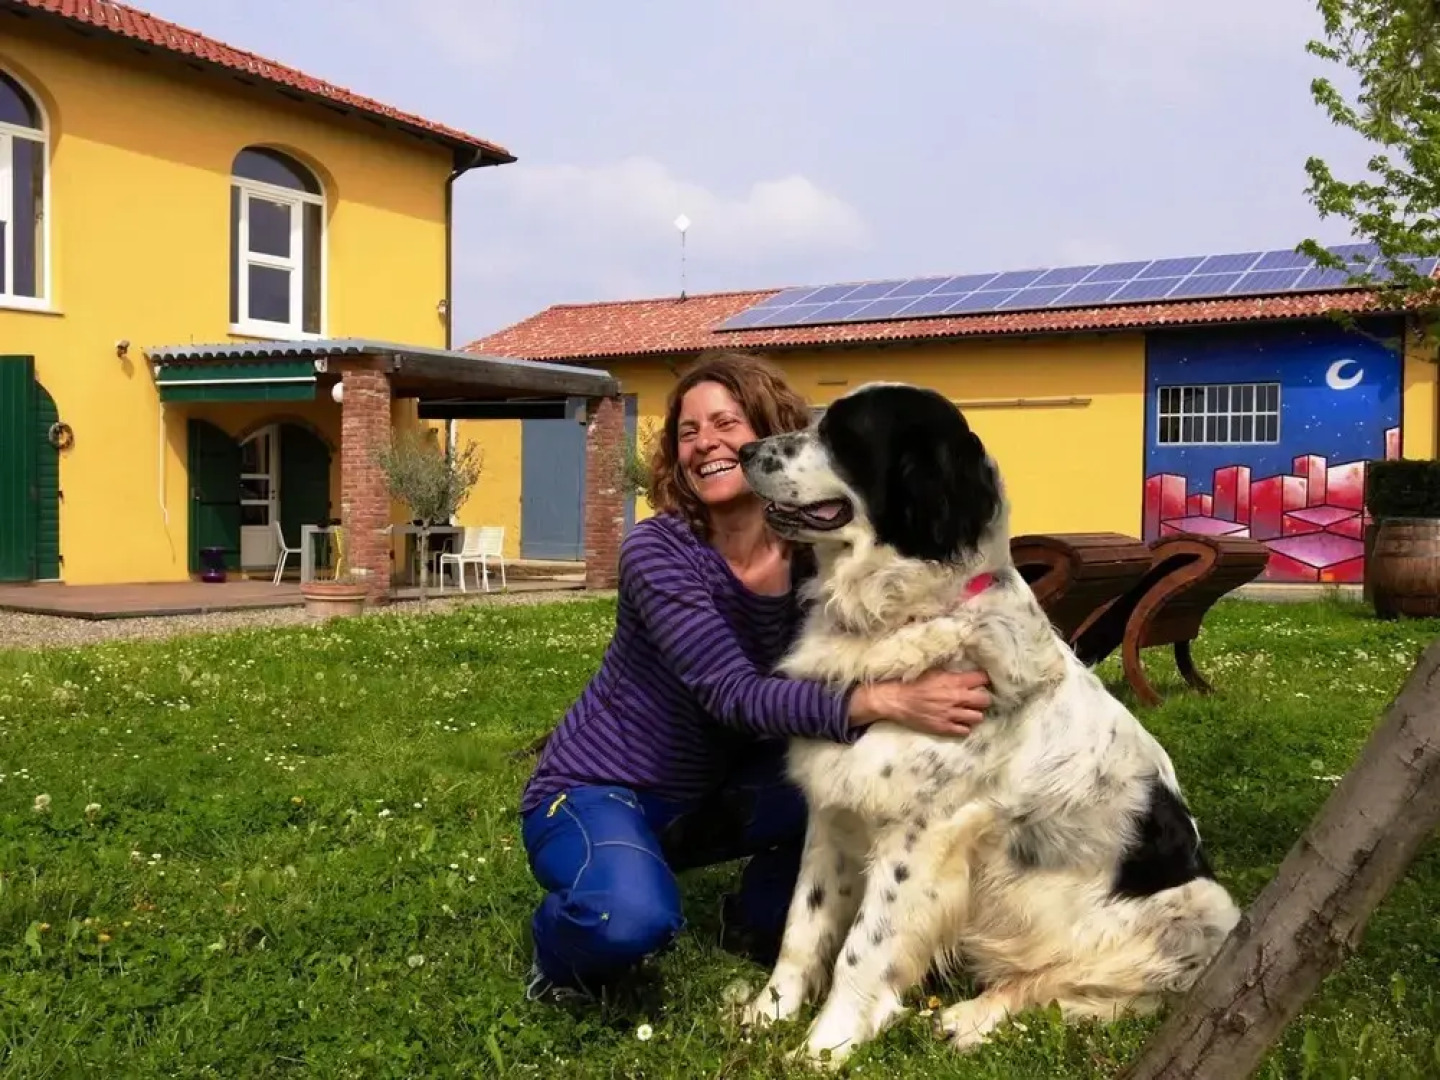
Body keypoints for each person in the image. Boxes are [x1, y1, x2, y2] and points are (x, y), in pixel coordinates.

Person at [518, 351, 992, 1004]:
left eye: (726, 423)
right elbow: (732, 695)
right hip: (602, 788)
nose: (705, 444)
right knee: (627, 922)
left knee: (845, 807)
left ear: (773, 432)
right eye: (689, 432)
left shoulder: (814, 552)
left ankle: (754, 917)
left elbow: (907, 587)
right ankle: (556, 950)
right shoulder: (659, 552)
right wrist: (888, 699)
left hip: (723, 796)